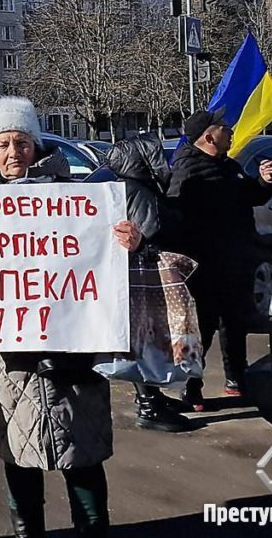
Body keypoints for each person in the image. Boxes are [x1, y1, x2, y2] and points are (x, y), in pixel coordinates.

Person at [0, 96, 140, 538]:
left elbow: (112, 267)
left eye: (22, 142)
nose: (13, 153)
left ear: (37, 145)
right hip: (12, 367)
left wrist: (129, 244)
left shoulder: (80, 201)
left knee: (83, 459)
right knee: (19, 458)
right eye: (3, 144)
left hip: (75, 358)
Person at [168, 110, 272, 411]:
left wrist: (266, 182)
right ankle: (191, 388)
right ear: (208, 136)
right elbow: (176, 218)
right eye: (224, 128)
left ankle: (237, 381)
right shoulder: (188, 171)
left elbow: (251, 196)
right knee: (201, 328)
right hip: (204, 267)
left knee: (235, 323)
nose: (230, 131)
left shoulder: (229, 167)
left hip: (235, 261)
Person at [105, 134, 197, 434]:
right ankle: (149, 405)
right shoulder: (139, 191)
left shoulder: (122, 188)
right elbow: (153, 231)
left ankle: (153, 398)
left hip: (132, 276)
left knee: (143, 340)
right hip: (147, 277)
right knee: (147, 341)